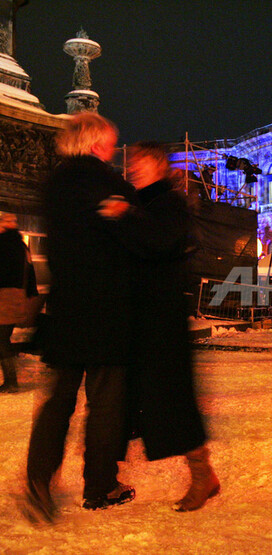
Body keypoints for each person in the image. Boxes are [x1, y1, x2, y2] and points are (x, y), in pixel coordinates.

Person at [23, 113, 137, 523]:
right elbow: (133, 232)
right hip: (106, 309)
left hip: (65, 308)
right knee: (106, 402)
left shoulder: (54, 183)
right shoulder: (107, 183)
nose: (113, 150)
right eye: (110, 143)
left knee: (57, 404)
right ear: (94, 145)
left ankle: (38, 480)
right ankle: (100, 484)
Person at [99, 141, 220, 511]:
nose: (131, 169)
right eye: (129, 164)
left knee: (172, 400)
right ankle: (104, 476)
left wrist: (125, 216)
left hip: (162, 320)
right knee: (137, 400)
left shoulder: (169, 203)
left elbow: (158, 241)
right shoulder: (142, 203)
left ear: (157, 165)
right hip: (142, 317)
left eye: (139, 163)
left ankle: (203, 474)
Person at [0, 212, 27, 393]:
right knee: (2, 339)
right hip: (14, 295)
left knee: (1, 340)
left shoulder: (6, 243)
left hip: (5, 296)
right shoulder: (19, 243)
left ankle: (11, 382)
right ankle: (10, 381)